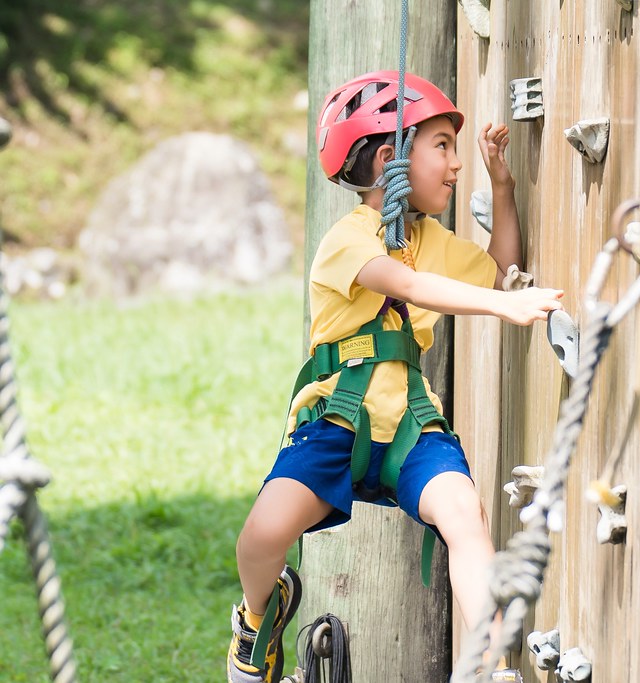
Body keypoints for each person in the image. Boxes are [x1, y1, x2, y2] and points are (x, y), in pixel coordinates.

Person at [226, 70, 564, 683]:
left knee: (465, 513)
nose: (455, 164)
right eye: (441, 146)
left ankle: (485, 663)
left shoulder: (432, 240)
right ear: (390, 158)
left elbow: (499, 269)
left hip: (409, 422)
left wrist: (505, 186)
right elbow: (405, 285)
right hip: (337, 419)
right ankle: (256, 618)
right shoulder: (347, 240)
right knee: (260, 537)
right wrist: (504, 306)